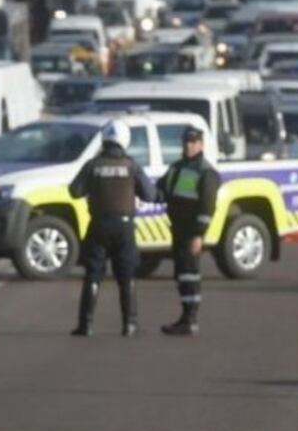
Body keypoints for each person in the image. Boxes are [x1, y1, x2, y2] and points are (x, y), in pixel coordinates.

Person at [68, 120, 156, 337]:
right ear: (125, 140)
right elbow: (150, 195)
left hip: (99, 224)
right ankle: (130, 324)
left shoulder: (93, 165)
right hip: (124, 226)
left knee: (93, 273)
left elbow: (74, 191)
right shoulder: (131, 165)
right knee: (126, 275)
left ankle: (86, 325)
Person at [156, 125, 220, 336]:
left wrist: (199, 235)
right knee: (181, 274)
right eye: (186, 142)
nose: (188, 146)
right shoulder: (176, 167)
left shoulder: (206, 171)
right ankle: (185, 317)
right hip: (178, 229)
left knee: (190, 274)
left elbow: (207, 207)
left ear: (201, 144)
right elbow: (162, 189)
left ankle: (190, 319)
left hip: (191, 232)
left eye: (193, 142)